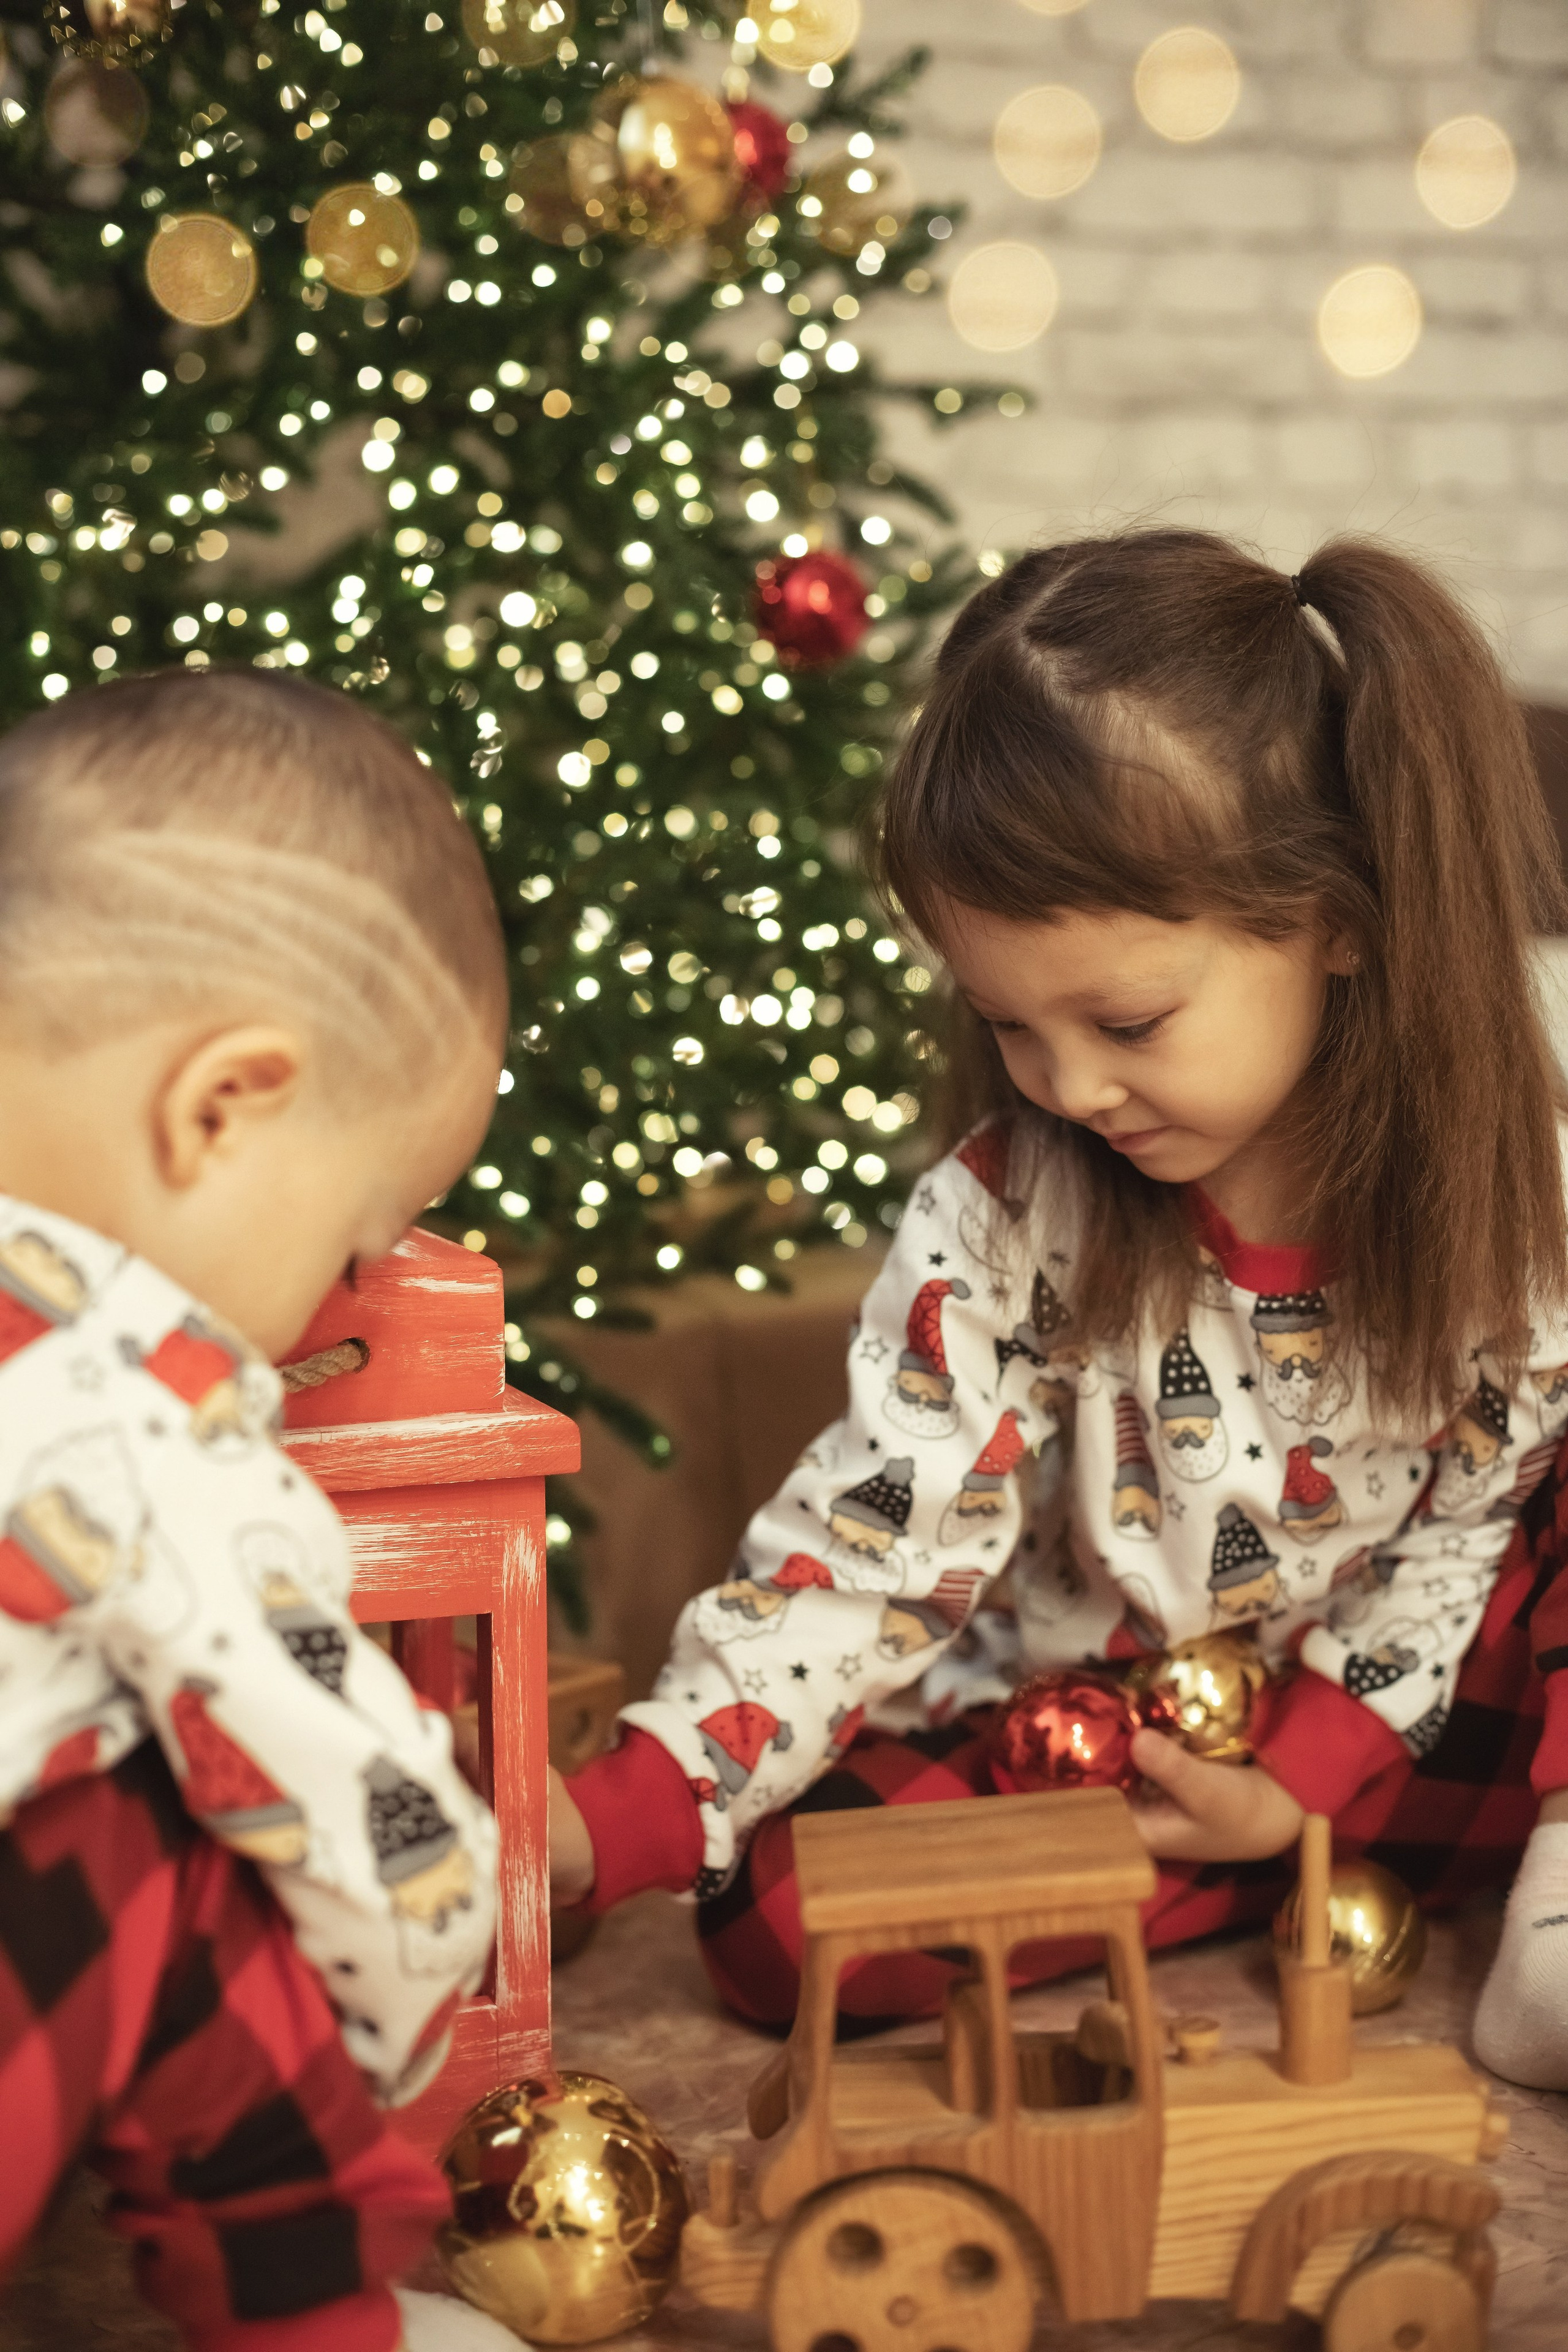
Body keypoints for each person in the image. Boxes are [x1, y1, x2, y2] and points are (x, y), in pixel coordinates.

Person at [552, 529, 1568, 2089]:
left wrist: (1305, 1768)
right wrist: (622, 1805)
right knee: (769, 1922)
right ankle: (1271, 1877)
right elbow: (876, 1548)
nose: (1070, 1086)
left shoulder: (1509, 1205)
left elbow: (1465, 1531)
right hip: (1103, 1727)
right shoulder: (1005, 1215)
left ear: (1343, 920)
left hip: (1399, 1707)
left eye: (1127, 1020)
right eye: (1010, 1025)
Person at [0, 671, 518, 2352]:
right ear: (223, 1106)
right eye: (362, 1227)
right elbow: (354, 1815)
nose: (333, 1297)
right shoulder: (119, 1396)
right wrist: (403, 2007)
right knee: (179, 1828)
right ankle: (314, 2328)